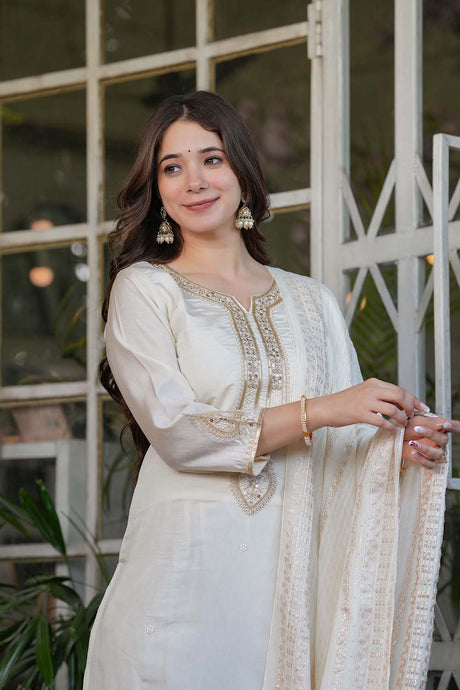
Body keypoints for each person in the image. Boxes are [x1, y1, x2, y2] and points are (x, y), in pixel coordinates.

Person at [83, 90, 459, 690]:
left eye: (211, 159)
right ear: (157, 189)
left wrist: (400, 447)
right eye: (172, 167)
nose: (194, 181)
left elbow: (343, 444)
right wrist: (321, 410)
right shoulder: (146, 289)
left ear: (241, 170)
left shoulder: (312, 302)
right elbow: (177, 431)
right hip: (181, 577)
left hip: (288, 581)